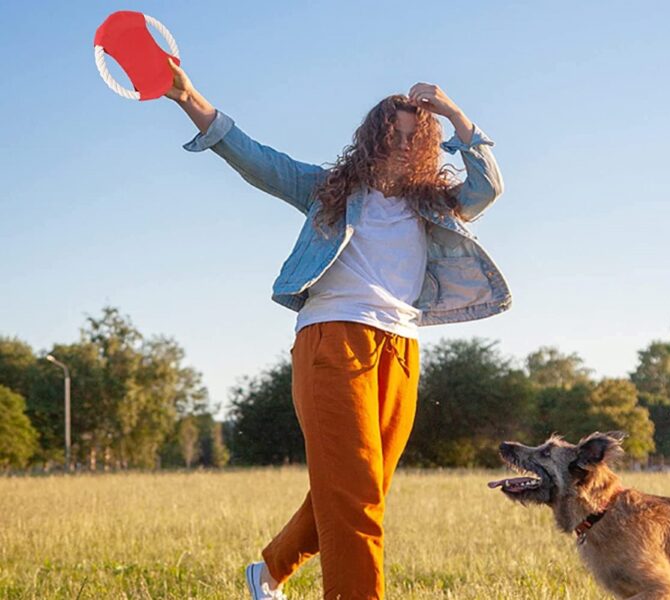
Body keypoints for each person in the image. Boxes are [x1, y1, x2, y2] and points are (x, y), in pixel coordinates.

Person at [165, 58, 509, 600]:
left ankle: (271, 570)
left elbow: (487, 188)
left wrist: (454, 113)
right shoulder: (328, 189)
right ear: (372, 140)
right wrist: (190, 100)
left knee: (360, 489)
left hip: (400, 349)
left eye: (411, 139)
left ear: (423, 147)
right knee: (354, 498)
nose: (399, 146)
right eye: (391, 136)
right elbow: (257, 160)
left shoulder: (433, 207)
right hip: (332, 339)